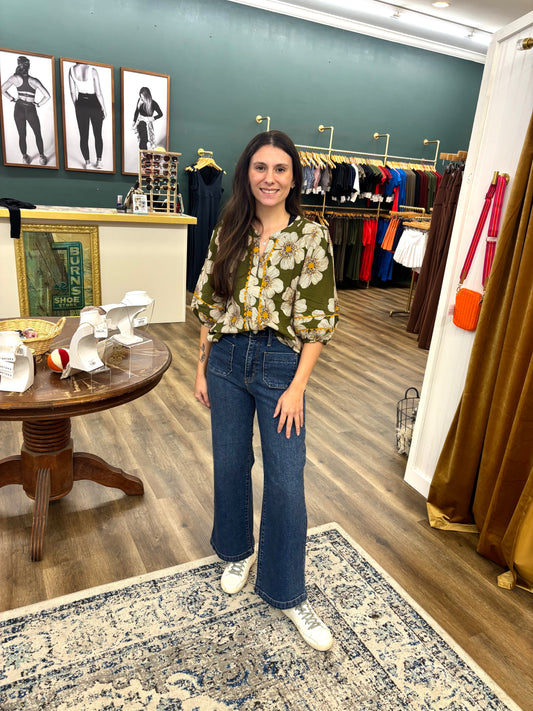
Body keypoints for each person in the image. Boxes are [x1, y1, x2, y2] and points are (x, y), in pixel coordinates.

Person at [191, 130, 338, 651]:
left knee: (285, 480)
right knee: (230, 464)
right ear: (246, 174)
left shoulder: (311, 237)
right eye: (260, 168)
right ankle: (238, 552)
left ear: (295, 177)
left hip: (280, 364)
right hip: (227, 360)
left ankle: (287, 590)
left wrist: (297, 388)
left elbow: (317, 323)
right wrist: (202, 367)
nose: (269, 178)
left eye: (280, 169)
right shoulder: (229, 229)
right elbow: (209, 305)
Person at [1, 55, 51, 165]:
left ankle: (24, 157)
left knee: (22, 135)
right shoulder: (34, 81)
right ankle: (42, 157)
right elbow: (47, 96)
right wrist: (38, 104)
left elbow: (2, 89)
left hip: (18, 108)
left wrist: (11, 99)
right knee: (38, 133)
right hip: (30, 109)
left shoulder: (14, 78)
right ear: (28, 67)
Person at [68, 63, 107, 169]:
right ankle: (99, 162)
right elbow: (98, 93)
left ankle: (87, 163)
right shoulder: (92, 70)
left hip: (81, 103)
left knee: (83, 136)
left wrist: (77, 106)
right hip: (94, 103)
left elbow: (72, 92)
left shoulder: (71, 70)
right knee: (98, 134)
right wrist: (104, 108)